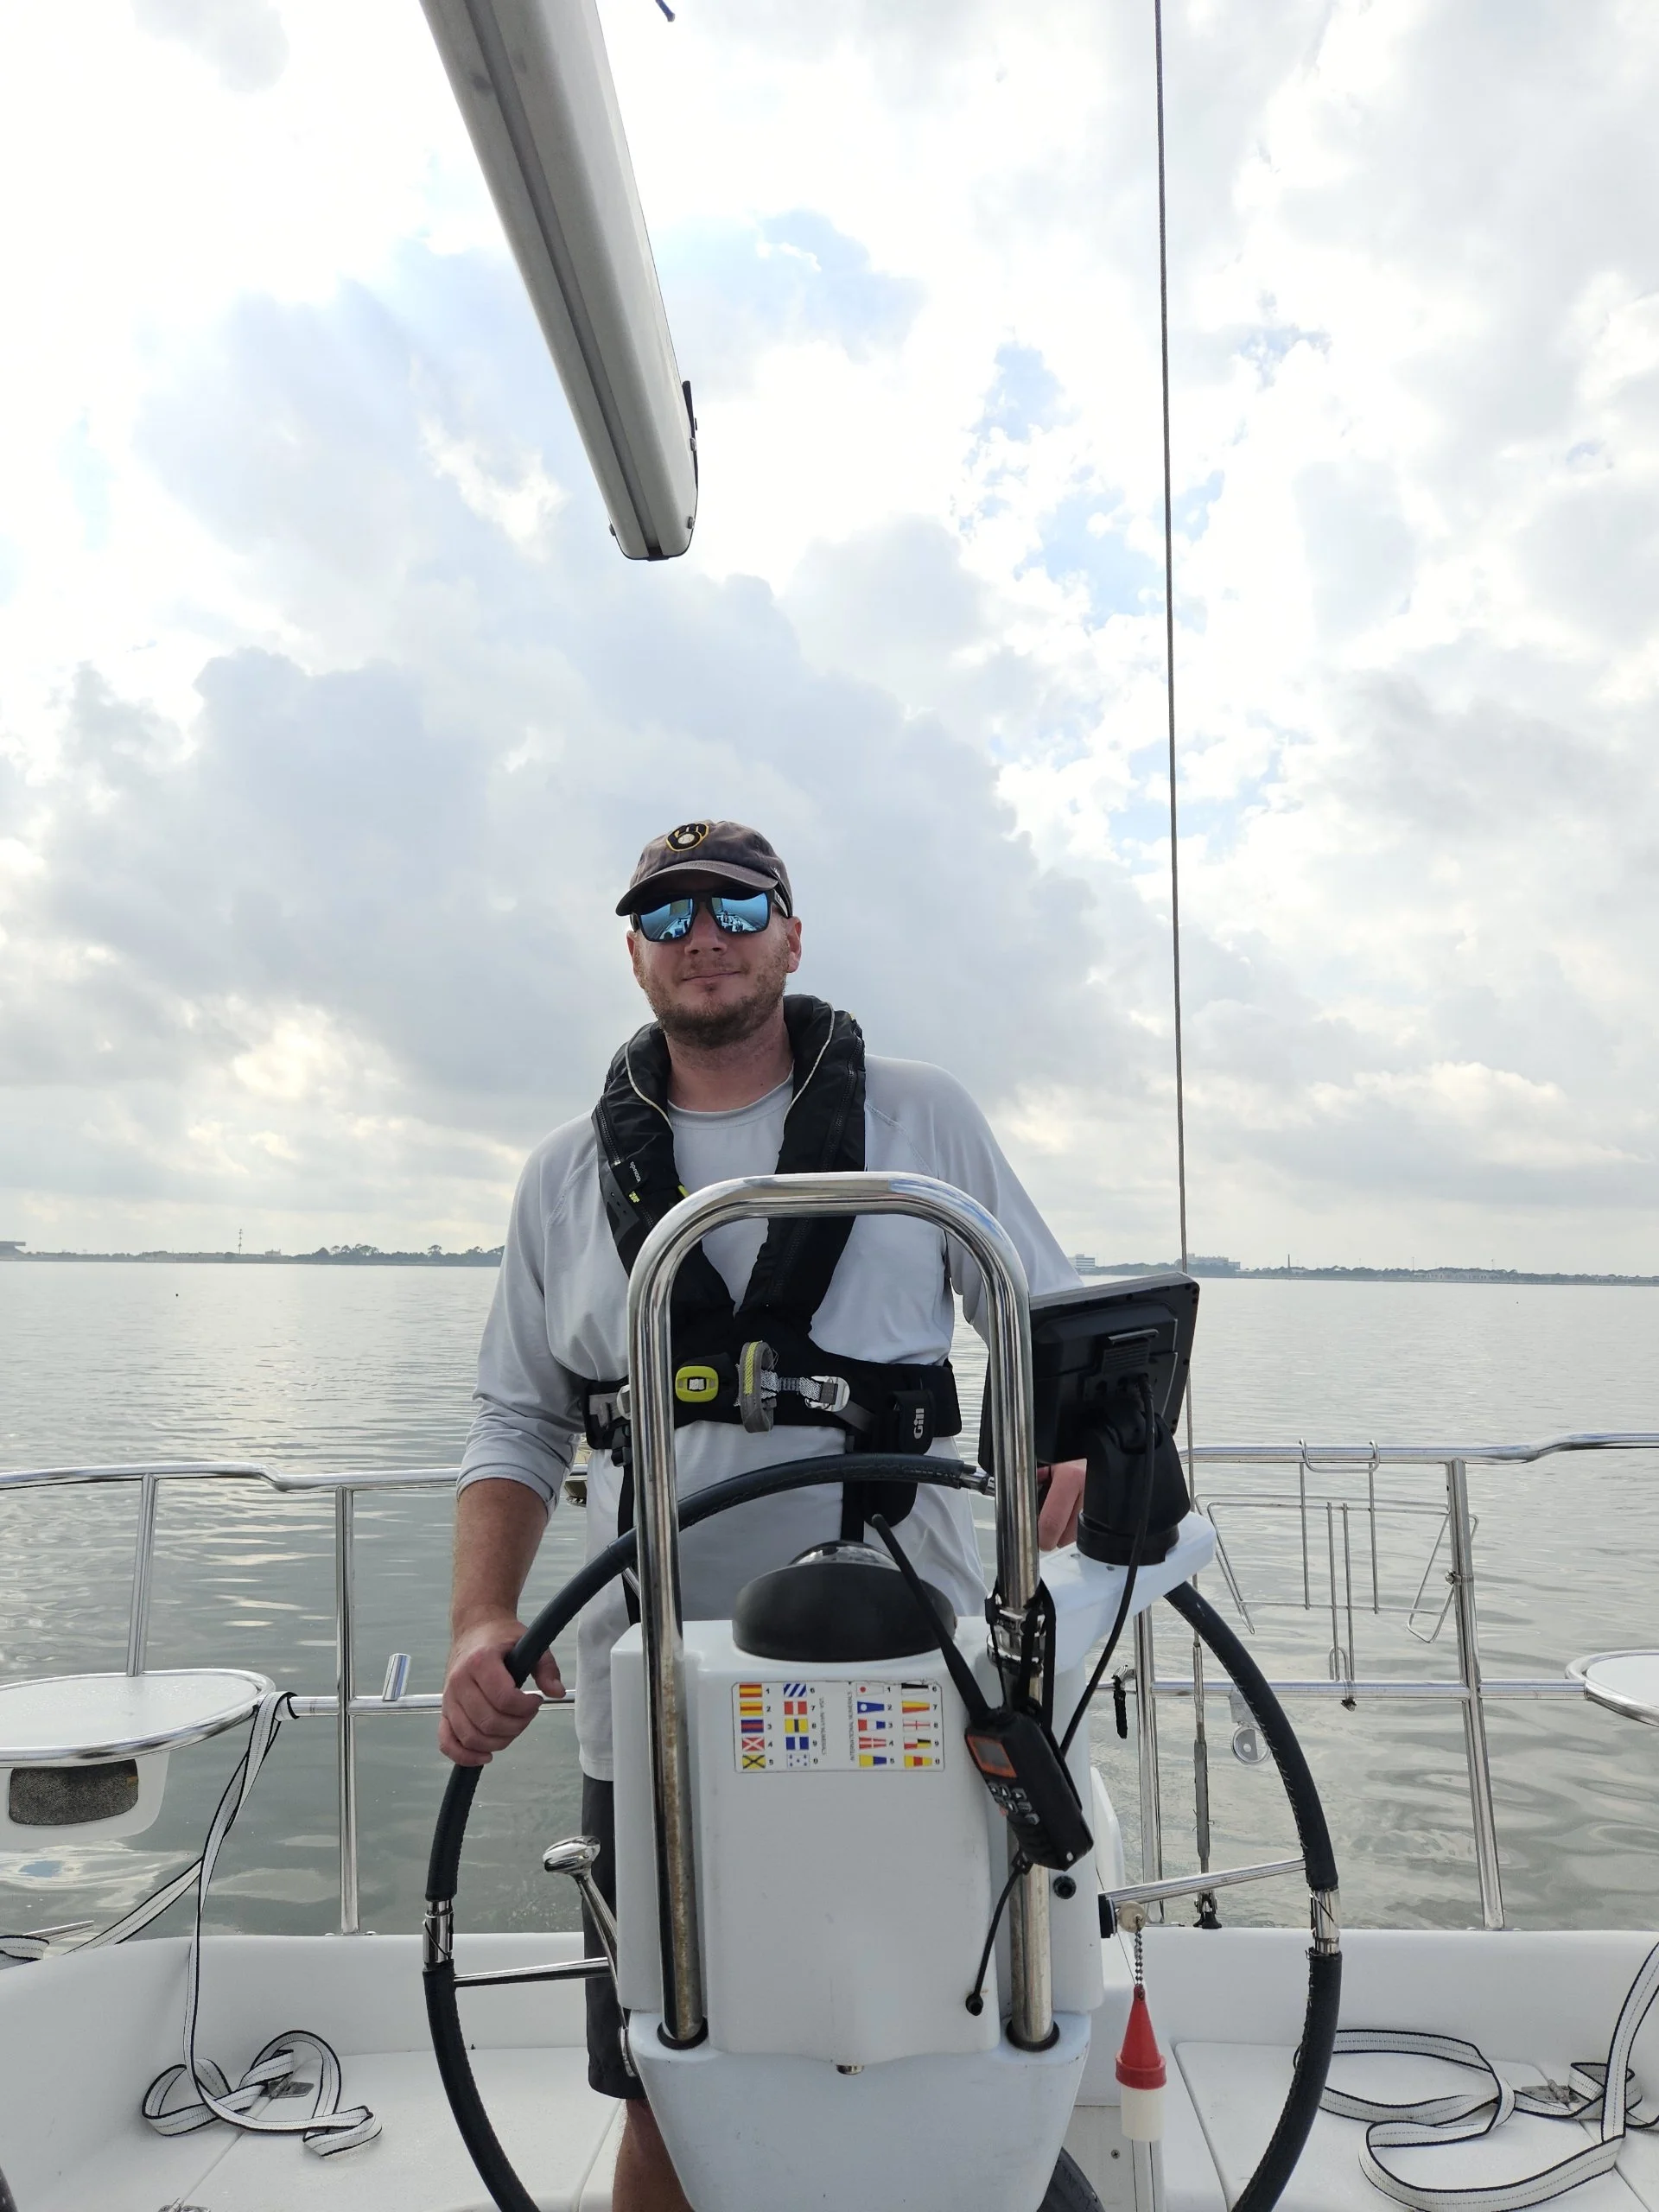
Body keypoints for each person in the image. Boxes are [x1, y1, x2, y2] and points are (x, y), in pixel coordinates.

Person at [440, 820, 1087, 2212]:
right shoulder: (560, 1177)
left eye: (737, 903)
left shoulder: (924, 1119)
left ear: (793, 934)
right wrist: (484, 1615)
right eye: (666, 916)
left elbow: (1046, 1327)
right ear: (634, 953)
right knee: (669, 2069)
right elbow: (516, 1420)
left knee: (934, 2023)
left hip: (910, 1677)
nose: (704, 936)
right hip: (650, 1696)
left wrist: (1081, 1441)